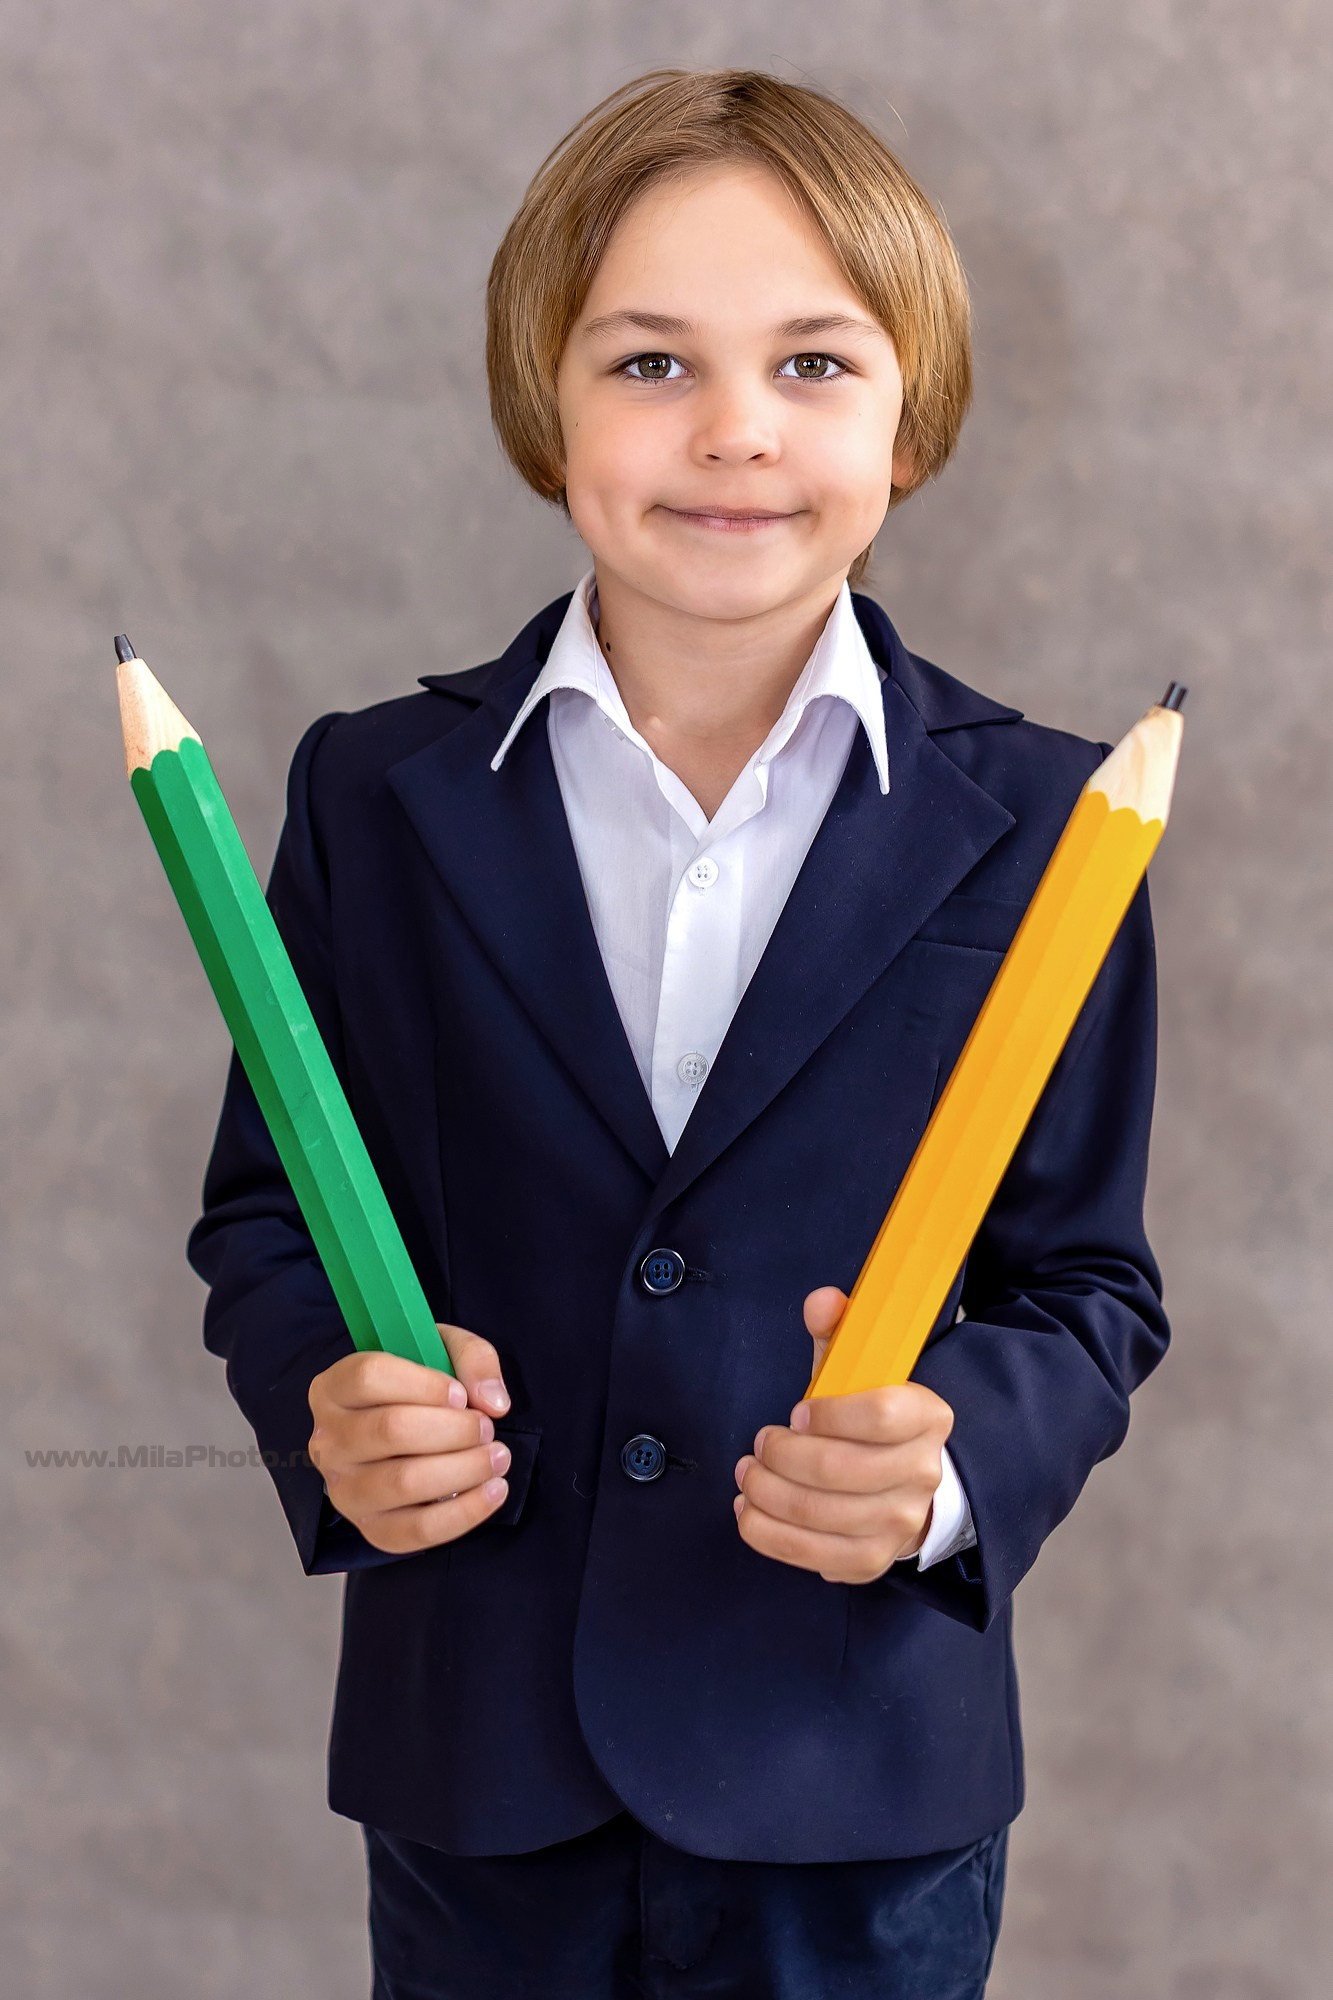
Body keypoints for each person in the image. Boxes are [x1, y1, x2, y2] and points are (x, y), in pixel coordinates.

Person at [186, 67, 1170, 1999]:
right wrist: (334, 1408)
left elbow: (1087, 1284)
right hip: (482, 1766)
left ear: (913, 407)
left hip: (857, 1766)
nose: (732, 433)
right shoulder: (376, 796)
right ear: (542, 394)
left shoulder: (1058, 826)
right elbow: (268, 1217)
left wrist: (947, 1467)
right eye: (649, 364)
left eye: (813, 365)